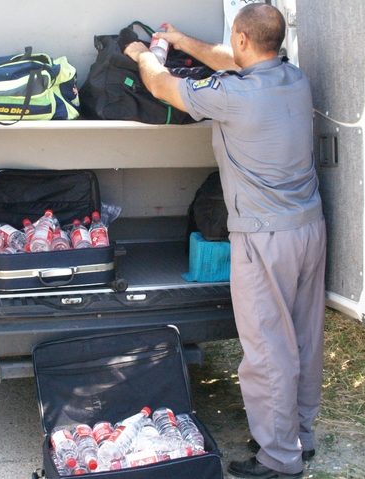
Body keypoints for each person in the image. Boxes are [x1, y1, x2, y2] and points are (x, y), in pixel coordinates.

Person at [124, 4, 326, 478]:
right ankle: (301, 438)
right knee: (303, 339)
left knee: (268, 351)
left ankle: (279, 460)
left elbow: (160, 86)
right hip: (309, 230)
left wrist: (144, 53)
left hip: (263, 239)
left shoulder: (233, 96)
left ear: (240, 38)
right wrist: (181, 40)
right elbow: (230, 60)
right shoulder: (294, 80)